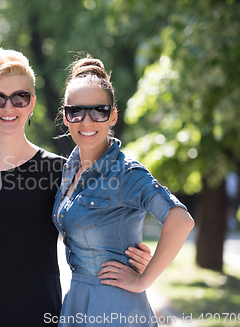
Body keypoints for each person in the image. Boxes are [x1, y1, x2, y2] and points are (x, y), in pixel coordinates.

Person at [0, 48, 153, 327]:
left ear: (32, 103)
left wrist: (134, 258)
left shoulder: (59, 171)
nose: (8, 108)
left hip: (35, 312)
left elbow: (95, 228)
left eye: (19, 97)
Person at [52, 55, 195, 326]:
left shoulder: (126, 172)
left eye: (99, 111)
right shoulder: (69, 170)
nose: (86, 121)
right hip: (77, 301)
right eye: (76, 111)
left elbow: (181, 220)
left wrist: (144, 278)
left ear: (113, 115)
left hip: (115, 308)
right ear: (65, 117)